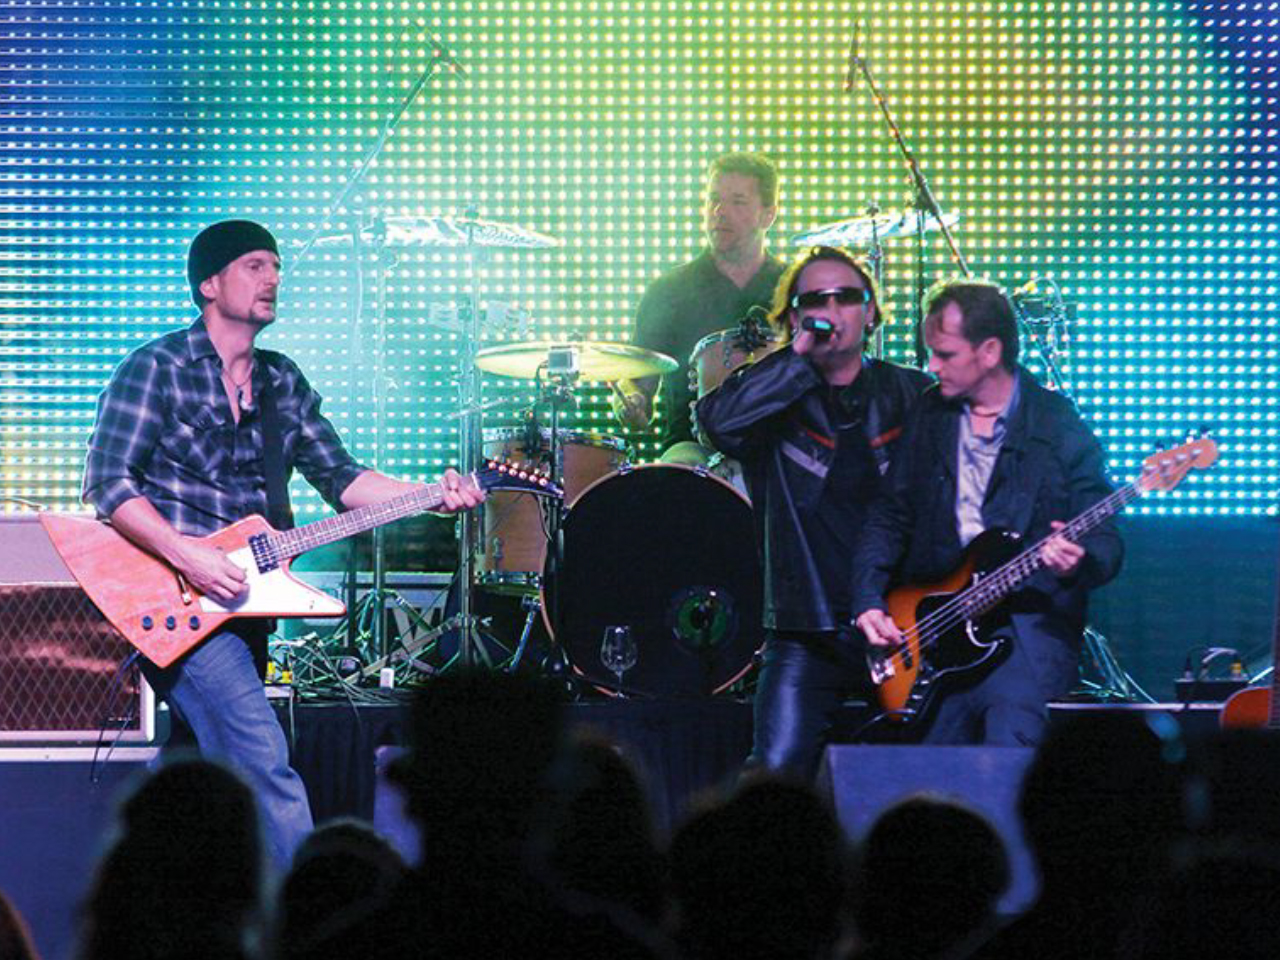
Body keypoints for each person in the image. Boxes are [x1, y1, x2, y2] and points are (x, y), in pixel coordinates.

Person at [81, 219, 483, 866]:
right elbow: (107, 483)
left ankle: (170, 899)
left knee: (200, 777)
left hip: (249, 605)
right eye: (254, 265)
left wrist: (430, 495)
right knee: (263, 760)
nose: (272, 277)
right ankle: (311, 908)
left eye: (275, 266)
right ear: (210, 284)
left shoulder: (282, 382)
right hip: (178, 599)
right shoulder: (156, 368)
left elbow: (344, 481)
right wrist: (190, 557)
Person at [853, 278, 1123, 745]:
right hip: (933, 627)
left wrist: (1078, 561)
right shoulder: (930, 413)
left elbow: (1105, 534)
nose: (931, 366)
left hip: (1025, 628)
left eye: (945, 354)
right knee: (927, 773)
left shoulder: (1056, 423)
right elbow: (890, 513)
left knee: (1009, 752)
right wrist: (869, 599)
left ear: (990, 351)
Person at [696, 246, 929, 779]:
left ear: (871, 311)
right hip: (807, 629)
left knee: (928, 773)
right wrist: (797, 357)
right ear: (793, 317)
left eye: (845, 297)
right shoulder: (775, 401)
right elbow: (717, 423)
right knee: (772, 777)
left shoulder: (912, 394)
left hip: (905, 622)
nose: (831, 309)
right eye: (815, 300)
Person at [613, 151, 786, 464]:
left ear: (768, 215)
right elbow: (637, 384)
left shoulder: (796, 288)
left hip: (781, 445)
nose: (720, 211)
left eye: (738, 202)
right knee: (677, 472)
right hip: (692, 448)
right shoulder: (669, 290)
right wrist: (632, 402)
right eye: (713, 200)